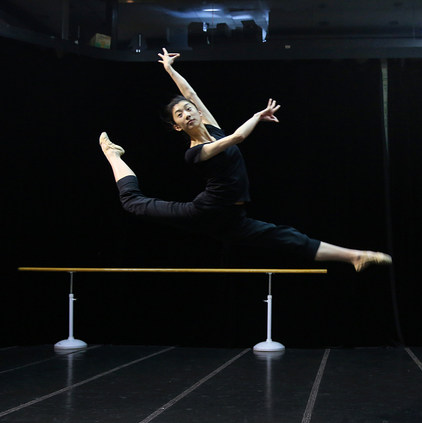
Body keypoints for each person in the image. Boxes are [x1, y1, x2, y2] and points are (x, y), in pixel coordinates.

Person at [99, 48, 392, 272]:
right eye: (180, 115)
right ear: (177, 126)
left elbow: (190, 93)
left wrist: (169, 69)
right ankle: (113, 154)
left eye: (189, 109)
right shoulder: (195, 152)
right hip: (206, 211)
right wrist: (257, 116)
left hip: (232, 218)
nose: (187, 114)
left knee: (289, 238)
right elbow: (238, 137)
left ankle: (355, 256)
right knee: (133, 203)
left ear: (197, 112)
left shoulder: (211, 126)